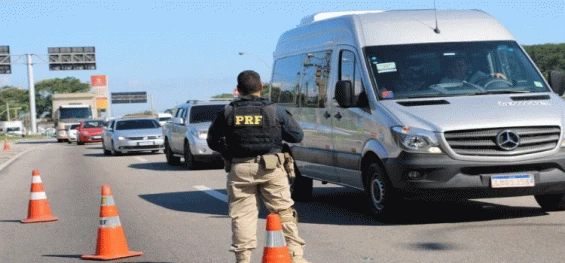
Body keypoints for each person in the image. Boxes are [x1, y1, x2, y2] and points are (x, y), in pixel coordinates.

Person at [207, 70, 310, 263]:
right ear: (261, 87)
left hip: (240, 168)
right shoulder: (274, 110)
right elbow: (297, 136)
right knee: (284, 213)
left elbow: (212, 141)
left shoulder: (228, 111)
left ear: (238, 90)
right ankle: (297, 258)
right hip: (271, 168)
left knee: (243, 216)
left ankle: (243, 260)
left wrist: (229, 151)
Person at [440, 56, 507, 84]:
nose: (457, 68)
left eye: (460, 65)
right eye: (454, 66)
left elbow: (492, 80)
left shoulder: (478, 76)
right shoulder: (446, 81)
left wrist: (498, 76)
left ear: (467, 66)